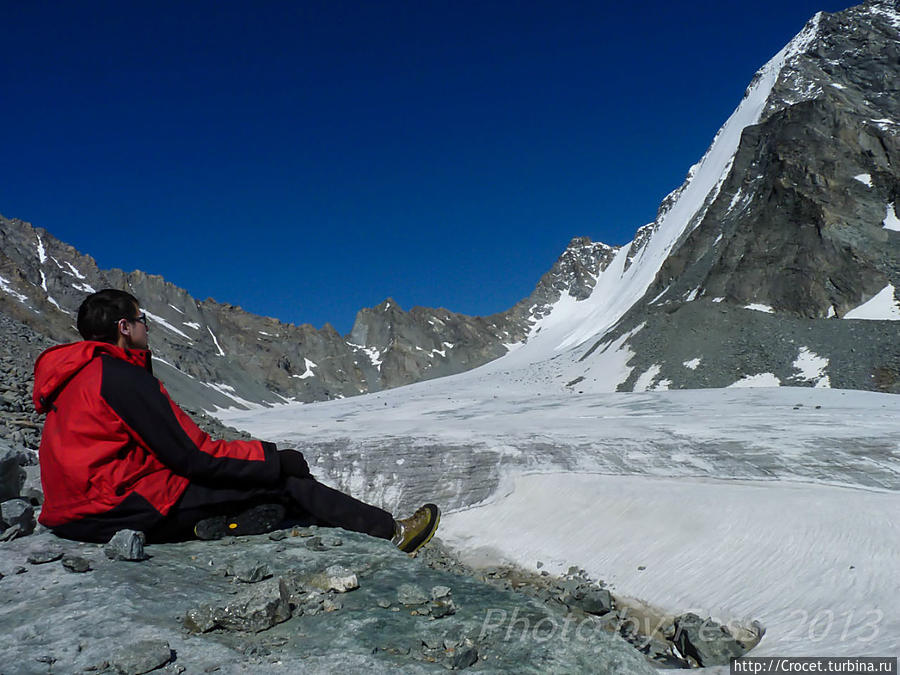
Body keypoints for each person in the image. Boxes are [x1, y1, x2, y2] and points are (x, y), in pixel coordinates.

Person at [32, 289, 439, 552]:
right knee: (286, 484)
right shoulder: (119, 377)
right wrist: (275, 461)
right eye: (142, 321)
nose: (146, 329)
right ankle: (392, 533)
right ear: (124, 327)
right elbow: (194, 457)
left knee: (262, 491)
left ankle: (231, 523)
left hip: (73, 514)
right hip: (117, 509)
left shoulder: (73, 377)